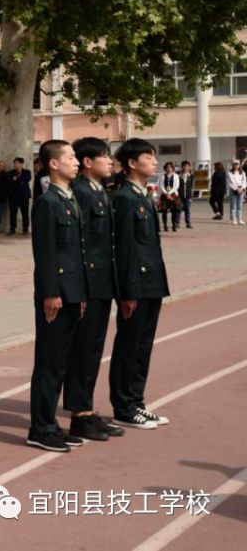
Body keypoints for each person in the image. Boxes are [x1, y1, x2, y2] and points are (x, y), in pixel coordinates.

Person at [26, 140, 87, 453]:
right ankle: (40, 428)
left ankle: (50, 424)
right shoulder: (48, 202)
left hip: (72, 293)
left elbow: (74, 253)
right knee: (49, 363)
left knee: (61, 362)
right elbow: (46, 252)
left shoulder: (69, 199)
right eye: (70, 157)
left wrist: (80, 293)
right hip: (55, 295)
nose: (76, 162)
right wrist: (51, 292)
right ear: (52, 164)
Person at [63, 138, 124, 442]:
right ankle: (78, 415)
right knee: (83, 350)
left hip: (103, 284)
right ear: (88, 162)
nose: (110, 162)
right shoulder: (82, 194)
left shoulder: (99, 192)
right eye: (105, 157)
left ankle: (86, 410)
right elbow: (79, 245)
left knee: (94, 349)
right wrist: (81, 290)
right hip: (89, 285)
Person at [109, 138, 170, 430]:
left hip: (152, 282)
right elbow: (124, 250)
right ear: (132, 163)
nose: (154, 161)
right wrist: (128, 291)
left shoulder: (142, 195)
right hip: (136, 285)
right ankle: (124, 406)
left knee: (143, 346)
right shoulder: (124, 198)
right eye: (148, 156)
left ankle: (136, 401)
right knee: (129, 346)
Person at [158, 161, 182, 232]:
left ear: (172, 168)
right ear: (165, 168)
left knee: (174, 211)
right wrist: (166, 193)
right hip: (164, 195)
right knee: (164, 211)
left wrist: (170, 193)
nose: (169, 169)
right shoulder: (162, 176)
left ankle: (174, 226)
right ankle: (165, 226)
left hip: (173, 194)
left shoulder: (176, 176)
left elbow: (176, 186)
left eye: (170, 167)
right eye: (167, 167)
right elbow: (161, 185)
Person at [228, 160, 246, 225]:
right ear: (232, 165)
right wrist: (236, 188)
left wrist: (242, 188)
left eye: (237, 164)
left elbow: (244, 180)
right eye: (234, 164)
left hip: (241, 189)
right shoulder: (230, 172)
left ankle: (240, 219)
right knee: (233, 205)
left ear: (239, 165)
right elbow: (230, 182)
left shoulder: (242, 172)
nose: (236, 166)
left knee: (240, 206)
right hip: (234, 190)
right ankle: (234, 219)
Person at [179, 161, 194, 229]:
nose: (185, 167)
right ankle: (176, 223)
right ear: (182, 167)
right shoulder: (178, 175)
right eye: (184, 166)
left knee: (187, 210)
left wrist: (191, 197)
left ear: (189, 167)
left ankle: (188, 223)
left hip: (188, 196)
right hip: (180, 196)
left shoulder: (191, 176)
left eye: (187, 166)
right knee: (178, 210)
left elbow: (191, 187)